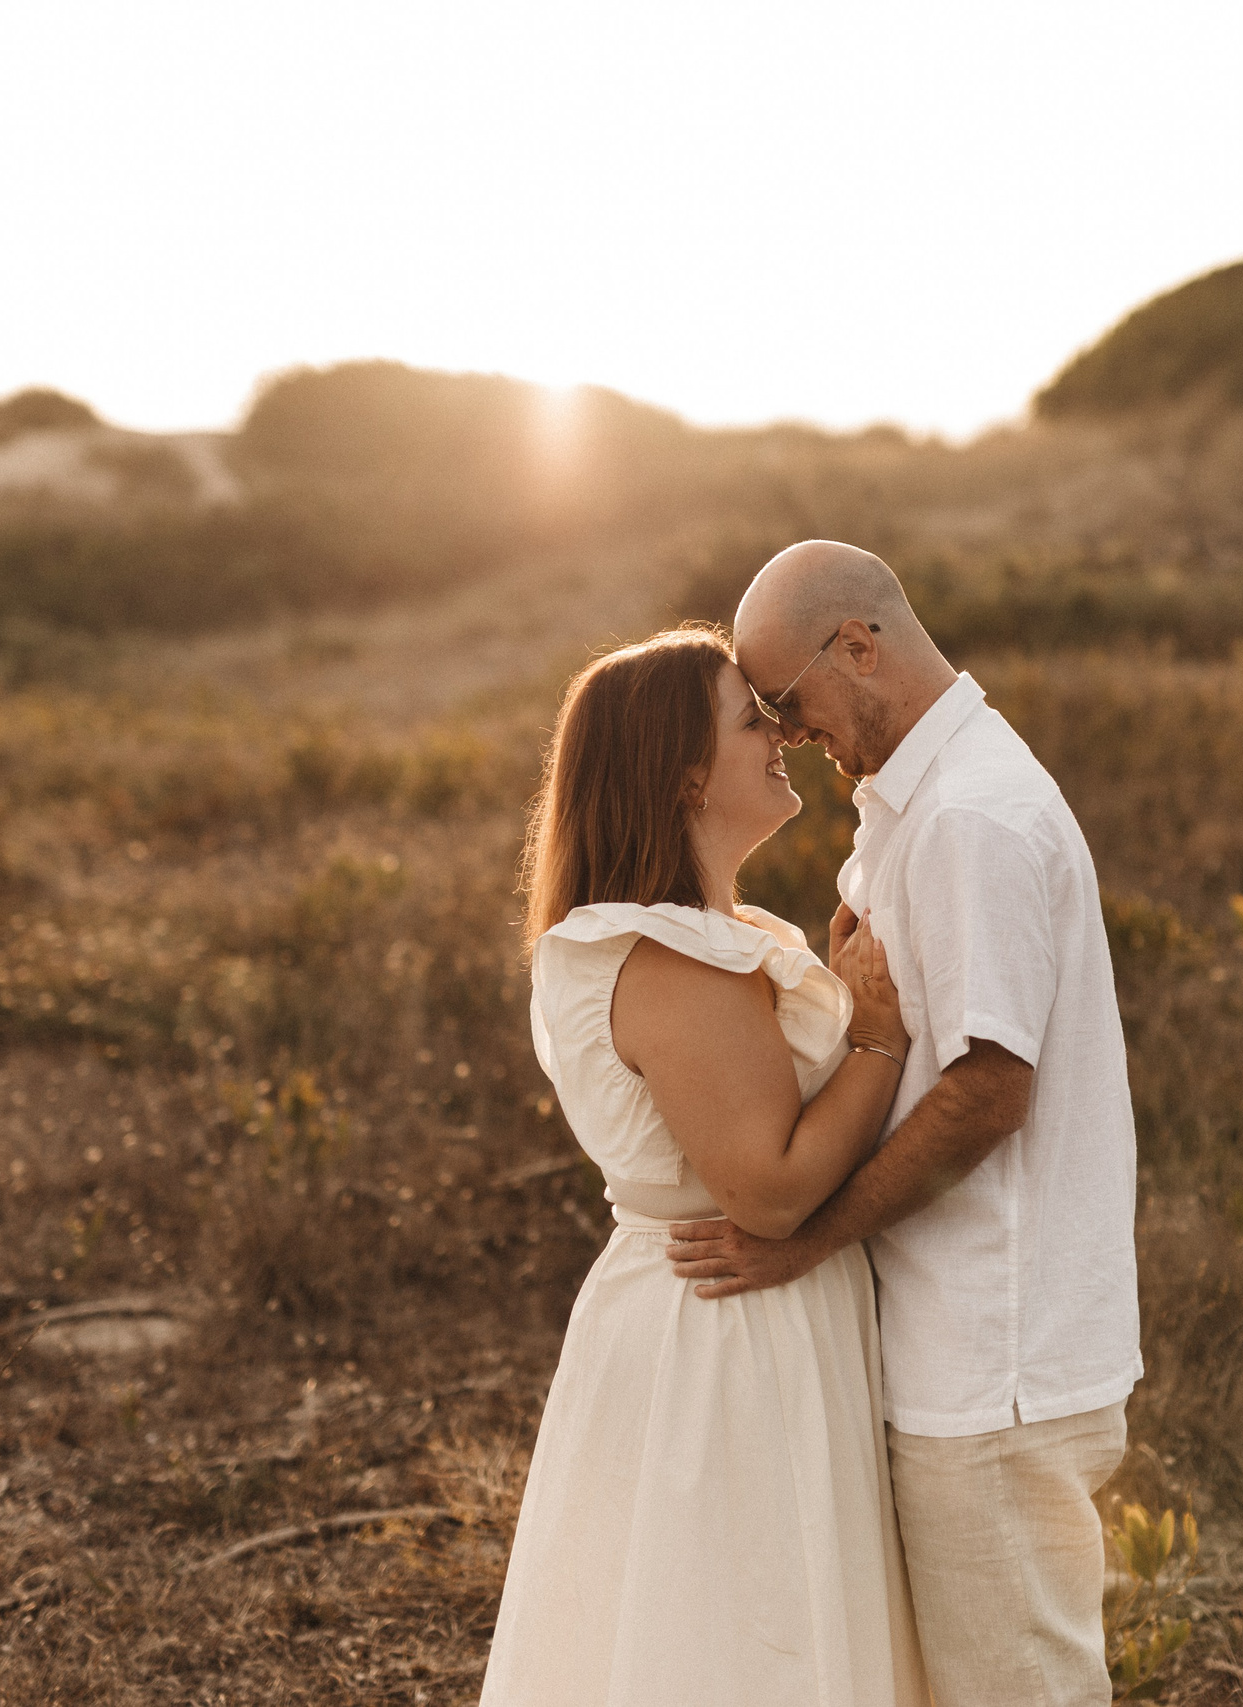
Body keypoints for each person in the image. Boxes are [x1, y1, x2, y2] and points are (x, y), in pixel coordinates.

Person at [667, 540, 1143, 1707]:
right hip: (960, 1350)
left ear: (860, 647)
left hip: (996, 1364)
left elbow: (990, 1089)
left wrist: (804, 1242)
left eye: (786, 703)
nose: (783, 734)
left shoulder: (970, 817)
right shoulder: (915, 801)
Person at [479, 625, 927, 1706]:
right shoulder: (677, 960)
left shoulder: (695, 937)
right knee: (743, 1636)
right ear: (683, 770)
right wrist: (875, 1040)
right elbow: (768, 1190)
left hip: (708, 1313)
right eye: (748, 720)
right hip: (728, 1328)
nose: (779, 735)